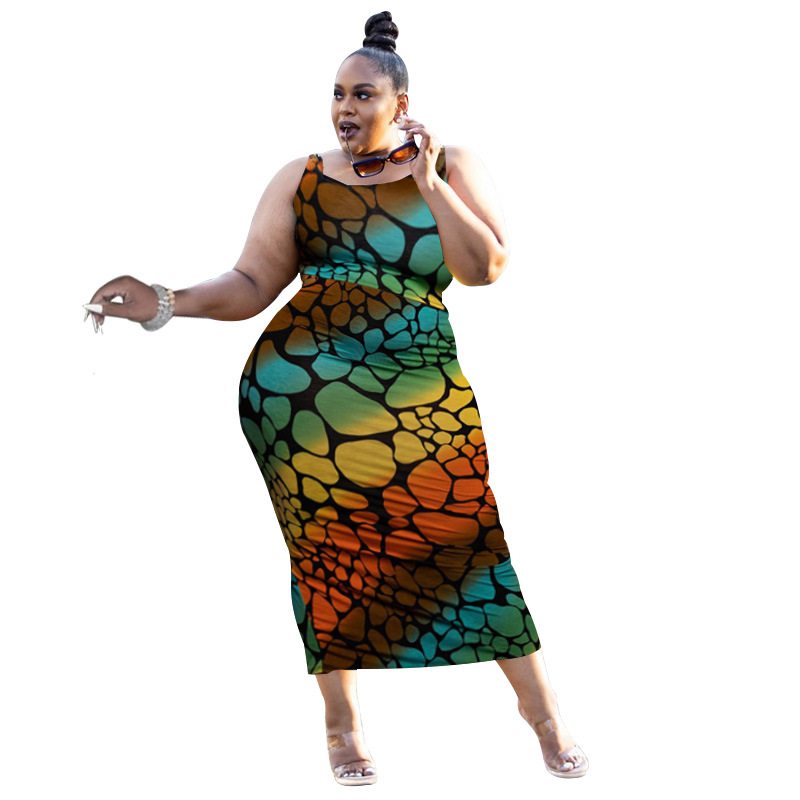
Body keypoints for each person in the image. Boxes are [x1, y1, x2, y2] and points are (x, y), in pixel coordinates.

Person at [84, 10, 589, 786]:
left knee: (464, 533)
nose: (344, 109)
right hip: (302, 390)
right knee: (328, 548)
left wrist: (427, 184)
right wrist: (165, 300)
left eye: (361, 95)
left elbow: (485, 268)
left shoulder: (453, 164)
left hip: (418, 384)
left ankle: (544, 716)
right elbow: (252, 281)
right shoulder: (302, 176)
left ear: (401, 102)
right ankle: (342, 726)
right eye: (336, 95)